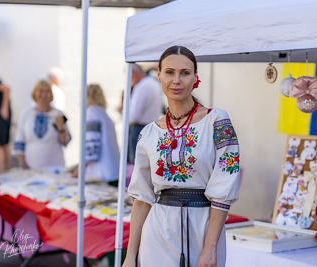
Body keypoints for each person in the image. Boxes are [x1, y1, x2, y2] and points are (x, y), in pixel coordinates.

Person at [122, 46, 240, 267]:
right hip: (157, 233)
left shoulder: (217, 121)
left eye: (184, 73)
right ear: (159, 76)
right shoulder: (148, 133)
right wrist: (130, 257)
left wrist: (210, 248)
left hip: (202, 229)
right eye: (169, 72)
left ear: (196, 78)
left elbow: (225, 187)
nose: (176, 80)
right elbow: (141, 198)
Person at [13, 80, 71, 170]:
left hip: (55, 168)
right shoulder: (26, 113)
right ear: (34, 93)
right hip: (31, 168)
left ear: (51, 95)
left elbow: (66, 142)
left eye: (47, 91)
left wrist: (61, 129)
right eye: (40, 91)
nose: (44, 94)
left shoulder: (58, 114)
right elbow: (19, 141)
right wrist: (23, 164)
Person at [72, 84, 120, 185]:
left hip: (102, 174)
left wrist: (79, 169)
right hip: (112, 169)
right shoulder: (103, 113)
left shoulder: (91, 113)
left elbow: (92, 148)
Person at [127, 63, 162, 164]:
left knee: (137, 163)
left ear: (133, 73)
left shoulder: (142, 86)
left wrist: (123, 115)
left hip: (139, 129)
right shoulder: (154, 83)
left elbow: (134, 116)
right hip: (152, 126)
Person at [0, 66, 12, 172]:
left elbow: (6, 88)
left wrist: (4, 107)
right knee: (4, 143)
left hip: (1, 115)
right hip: (2, 114)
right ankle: (7, 170)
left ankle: (2, 171)